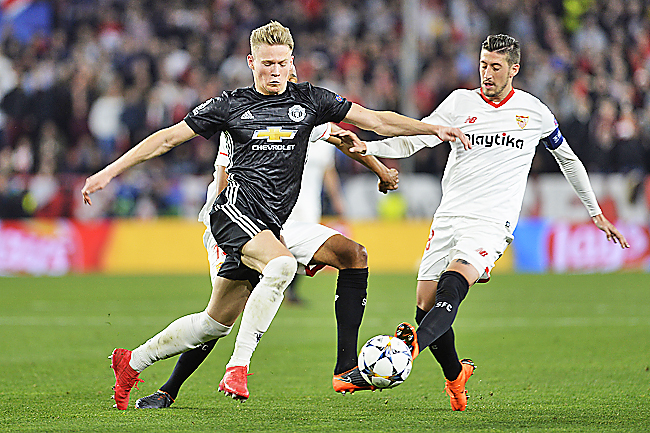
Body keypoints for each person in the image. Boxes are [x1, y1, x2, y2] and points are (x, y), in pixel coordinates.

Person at [81, 20, 469, 410]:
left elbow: (373, 122)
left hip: (274, 225)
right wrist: (107, 172)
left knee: (217, 321)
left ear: (292, 61)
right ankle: (237, 368)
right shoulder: (230, 106)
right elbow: (166, 138)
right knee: (281, 266)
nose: (275, 71)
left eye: (282, 62)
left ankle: (132, 362)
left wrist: (432, 130)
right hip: (231, 214)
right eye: (267, 63)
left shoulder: (309, 104)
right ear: (251, 62)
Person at [341, 34, 630, 411]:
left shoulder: (534, 112)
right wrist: (370, 148)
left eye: (495, 67)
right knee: (425, 307)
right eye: (482, 65)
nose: (487, 74)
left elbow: (569, 160)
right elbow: (417, 140)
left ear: (514, 69)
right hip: (449, 215)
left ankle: (405, 351)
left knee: (454, 281)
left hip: (493, 219)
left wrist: (595, 212)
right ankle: (455, 374)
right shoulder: (460, 103)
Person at [135, 114, 397, 408]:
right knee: (222, 317)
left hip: (294, 223)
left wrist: (381, 171)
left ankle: (346, 369)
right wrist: (230, 234)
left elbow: (346, 144)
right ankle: (167, 387)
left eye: (288, 70)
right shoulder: (246, 119)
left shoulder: (309, 119)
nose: (285, 80)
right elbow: (223, 182)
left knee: (354, 254)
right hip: (241, 225)